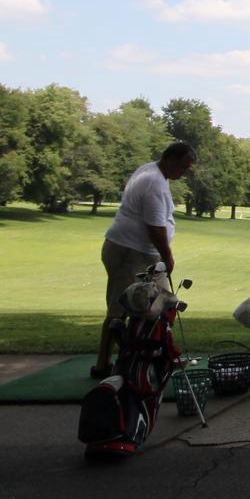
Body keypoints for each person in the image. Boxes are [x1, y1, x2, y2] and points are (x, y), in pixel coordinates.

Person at [94, 140, 194, 378]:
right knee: (120, 310)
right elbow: (155, 228)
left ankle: (160, 355)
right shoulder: (153, 183)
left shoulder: (151, 170)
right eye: (183, 167)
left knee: (164, 304)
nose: (184, 173)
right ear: (169, 159)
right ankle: (105, 364)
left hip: (135, 251)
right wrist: (168, 257)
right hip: (131, 253)